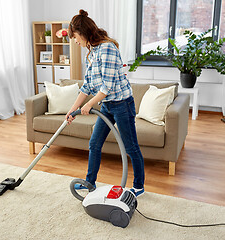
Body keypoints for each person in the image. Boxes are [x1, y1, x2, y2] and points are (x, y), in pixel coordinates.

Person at [65, 9, 145, 197]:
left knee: (130, 146)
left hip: (122, 104)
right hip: (107, 105)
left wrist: (88, 105)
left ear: (83, 33)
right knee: (94, 143)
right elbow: (87, 86)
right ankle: (89, 182)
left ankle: (139, 186)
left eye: (75, 37)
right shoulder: (92, 51)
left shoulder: (107, 48)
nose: (75, 41)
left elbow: (107, 87)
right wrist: (72, 110)